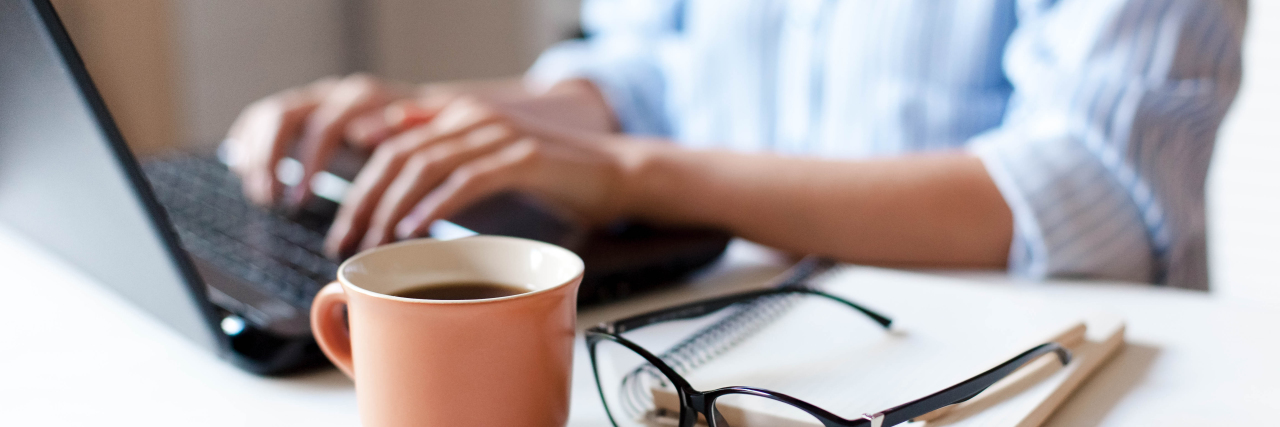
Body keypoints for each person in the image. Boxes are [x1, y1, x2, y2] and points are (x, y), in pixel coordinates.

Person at [223, 0, 1244, 290]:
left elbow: (1095, 194)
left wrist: (640, 176)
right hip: (742, 339)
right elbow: (657, 72)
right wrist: (432, 121)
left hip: (1005, 370)